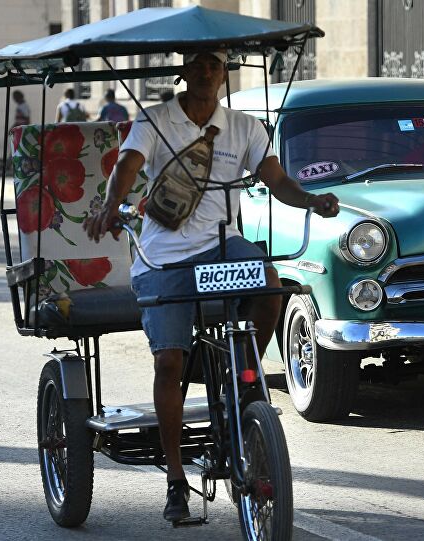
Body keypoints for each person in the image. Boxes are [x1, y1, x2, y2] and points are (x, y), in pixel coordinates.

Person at [82, 50, 339, 522]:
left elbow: (277, 180)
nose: (206, 72)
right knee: (169, 362)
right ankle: (176, 481)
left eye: (215, 65)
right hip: (164, 259)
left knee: (270, 283)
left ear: (225, 73)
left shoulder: (244, 128)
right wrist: (111, 206)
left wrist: (310, 200)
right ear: (184, 71)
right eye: (197, 64)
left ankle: (243, 381)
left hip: (223, 248)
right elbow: (128, 167)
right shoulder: (155, 121)